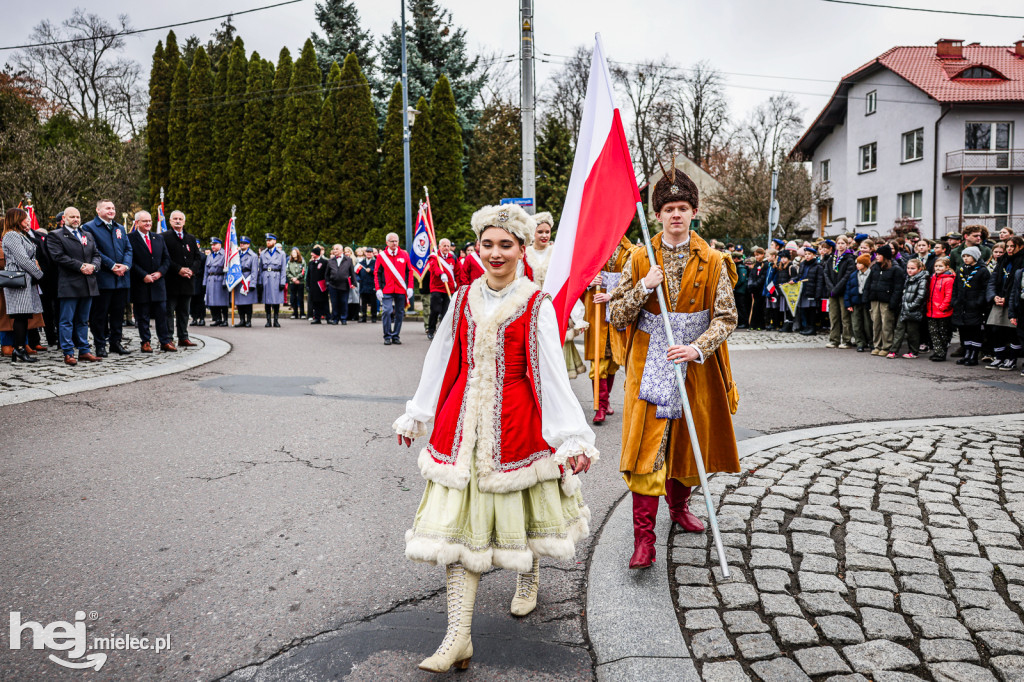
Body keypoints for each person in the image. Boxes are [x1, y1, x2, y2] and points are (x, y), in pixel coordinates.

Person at [392, 203, 597, 673]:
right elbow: (443, 358)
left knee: (519, 516)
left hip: (517, 425)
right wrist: (419, 413)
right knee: (458, 532)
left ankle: (528, 578)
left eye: (506, 245)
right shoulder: (463, 298)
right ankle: (457, 637)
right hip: (462, 425)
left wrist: (570, 437)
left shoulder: (537, 304)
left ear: (523, 249)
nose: (495, 253)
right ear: (478, 246)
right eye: (488, 244)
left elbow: (550, 375)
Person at [608, 168, 740, 570]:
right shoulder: (639, 258)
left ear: (694, 212)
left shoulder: (715, 260)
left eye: (683, 208)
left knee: (687, 443)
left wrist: (698, 348)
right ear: (658, 215)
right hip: (648, 362)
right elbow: (616, 315)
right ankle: (643, 540)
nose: (676, 214)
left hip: (694, 366)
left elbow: (726, 317)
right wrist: (644, 286)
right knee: (646, 449)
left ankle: (680, 509)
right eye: (668, 208)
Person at [583, 233, 634, 424]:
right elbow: (577, 277)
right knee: (598, 363)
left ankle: (606, 400)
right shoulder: (593, 250)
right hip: (597, 314)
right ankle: (600, 406)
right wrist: (589, 281)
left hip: (618, 313)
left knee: (613, 361)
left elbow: (634, 280)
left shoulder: (631, 252)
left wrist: (611, 293)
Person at [45, 207, 102, 365]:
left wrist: (93, 266)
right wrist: (81, 266)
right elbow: (58, 256)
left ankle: (84, 350)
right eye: (72, 217)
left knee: (83, 320)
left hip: (88, 283)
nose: (76, 219)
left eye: (78, 216)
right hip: (69, 284)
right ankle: (68, 352)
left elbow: (96, 254)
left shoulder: (87, 234)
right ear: (64, 218)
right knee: (66, 320)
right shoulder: (56, 235)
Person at [82, 199, 132, 357]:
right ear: (98, 210)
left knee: (118, 314)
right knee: (100, 315)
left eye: (113, 208)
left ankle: (116, 343)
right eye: (107, 208)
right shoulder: (89, 227)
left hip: (121, 279)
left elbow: (128, 249)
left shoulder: (120, 228)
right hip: (103, 279)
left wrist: (125, 265)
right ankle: (100, 345)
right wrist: (112, 266)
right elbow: (93, 250)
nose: (111, 210)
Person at [1, 208, 46, 363]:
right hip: (18, 279)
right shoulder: (12, 235)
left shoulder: (20, 235)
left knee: (24, 315)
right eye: (26, 218)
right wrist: (39, 274)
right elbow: (23, 259)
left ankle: (18, 348)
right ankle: (19, 348)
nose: (28, 221)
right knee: (20, 316)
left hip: (25, 279)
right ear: (17, 219)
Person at [127, 211, 175, 353]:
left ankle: (165, 341)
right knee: (143, 315)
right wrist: (143, 275)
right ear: (137, 223)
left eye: (149, 221)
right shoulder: (129, 238)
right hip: (141, 283)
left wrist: (160, 272)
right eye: (144, 221)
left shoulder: (158, 238)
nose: (148, 223)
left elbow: (167, 259)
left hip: (158, 284)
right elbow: (130, 261)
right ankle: (145, 342)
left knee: (162, 314)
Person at [985, 236, 1024, 371]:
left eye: (1012, 246)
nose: (1009, 249)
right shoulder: (1002, 260)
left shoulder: (1021, 261)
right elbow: (993, 280)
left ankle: (1012, 359)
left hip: (1012, 301)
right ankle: (999, 357)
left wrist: (1008, 299)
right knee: (995, 330)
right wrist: (993, 296)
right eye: (1007, 246)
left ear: (1020, 246)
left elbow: (1017, 285)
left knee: (1012, 332)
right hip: (998, 300)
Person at [163, 211, 201, 346]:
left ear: (184, 221)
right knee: (169, 312)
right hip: (172, 281)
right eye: (175, 219)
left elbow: (197, 257)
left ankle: (183, 337)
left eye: (180, 219)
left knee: (184, 312)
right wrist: (178, 269)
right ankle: (168, 339)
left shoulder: (190, 238)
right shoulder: (164, 237)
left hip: (187, 281)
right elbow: (165, 258)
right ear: (170, 221)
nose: (178, 221)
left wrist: (192, 270)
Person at [952, 246, 990, 366]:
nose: (965, 258)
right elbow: (956, 287)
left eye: (968, 256)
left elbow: (985, 289)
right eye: (964, 256)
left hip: (974, 306)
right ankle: (967, 353)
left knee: (975, 331)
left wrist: (978, 302)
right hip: (962, 305)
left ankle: (974, 355)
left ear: (975, 257)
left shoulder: (982, 271)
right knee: (964, 331)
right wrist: (955, 300)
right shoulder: (961, 269)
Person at [375, 232, 414, 345]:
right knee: (387, 311)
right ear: (387, 242)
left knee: (400, 313)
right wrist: (378, 288)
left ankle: (395, 335)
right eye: (392, 241)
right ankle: (387, 335)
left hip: (401, 289)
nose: (394, 243)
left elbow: (409, 272)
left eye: (396, 241)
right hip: (386, 288)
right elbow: (377, 273)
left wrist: (410, 287)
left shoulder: (404, 255)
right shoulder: (381, 256)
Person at [866, 244, 905, 355]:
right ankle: (877, 345)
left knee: (886, 324)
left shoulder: (896, 269)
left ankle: (886, 346)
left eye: (879, 255)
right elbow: (869, 283)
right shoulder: (875, 267)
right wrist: (867, 297)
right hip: (875, 299)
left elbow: (898, 288)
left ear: (885, 256)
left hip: (886, 300)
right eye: (876, 254)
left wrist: (893, 302)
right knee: (876, 323)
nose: (876, 256)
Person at [887, 258, 929, 359]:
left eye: (912, 268)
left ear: (919, 269)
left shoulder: (922, 279)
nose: (909, 270)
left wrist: (911, 306)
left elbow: (921, 296)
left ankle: (914, 352)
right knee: (899, 330)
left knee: (912, 332)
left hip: (913, 310)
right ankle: (894, 351)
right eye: (908, 268)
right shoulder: (908, 278)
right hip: (904, 309)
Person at [824, 237, 855, 348]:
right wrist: (831, 288)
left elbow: (847, 275)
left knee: (845, 317)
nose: (840, 245)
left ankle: (846, 340)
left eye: (843, 243)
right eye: (839, 243)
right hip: (832, 291)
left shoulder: (849, 258)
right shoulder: (831, 257)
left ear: (847, 245)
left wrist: (837, 288)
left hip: (843, 291)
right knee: (833, 316)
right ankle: (834, 339)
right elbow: (826, 273)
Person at [426, 238, 458, 340]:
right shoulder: (434, 257)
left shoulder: (453, 257)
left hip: (449, 288)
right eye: (444, 246)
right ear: (439, 247)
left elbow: (458, 271)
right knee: (435, 310)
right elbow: (434, 268)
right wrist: (441, 274)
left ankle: (442, 332)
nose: (446, 248)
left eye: (448, 246)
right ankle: (431, 330)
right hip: (437, 288)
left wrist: (457, 282)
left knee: (446, 312)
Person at [926, 257, 955, 361]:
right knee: (933, 332)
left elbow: (949, 295)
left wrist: (943, 307)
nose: (937, 268)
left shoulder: (949, 280)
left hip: (942, 311)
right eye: (936, 266)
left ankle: (941, 353)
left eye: (940, 266)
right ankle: (938, 352)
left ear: (947, 267)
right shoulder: (933, 277)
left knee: (942, 333)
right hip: (932, 310)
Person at [844, 254, 872, 352]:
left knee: (868, 324)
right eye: (857, 263)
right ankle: (860, 342)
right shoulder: (853, 275)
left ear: (865, 264)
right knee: (856, 324)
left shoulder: (871, 274)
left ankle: (871, 342)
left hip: (866, 301)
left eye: (860, 263)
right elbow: (848, 290)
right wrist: (848, 304)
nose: (857, 265)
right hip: (855, 301)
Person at [795, 246, 825, 335]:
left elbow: (820, 281)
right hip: (804, 290)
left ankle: (812, 327)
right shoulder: (803, 264)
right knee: (805, 310)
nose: (807, 256)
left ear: (814, 255)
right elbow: (799, 276)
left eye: (809, 254)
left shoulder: (818, 266)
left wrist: (818, 294)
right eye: (806, 254)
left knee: (811, 310)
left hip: (812, 291)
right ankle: (807, 326)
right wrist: (794, 280)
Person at [258, 233, 286, 328]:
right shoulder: (263, 253)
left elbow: (283, 270)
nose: (268, 242)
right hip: (266, 277)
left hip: (276, 277)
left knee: (276, 300)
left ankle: (276, 320)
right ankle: (268, 320)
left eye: (270, 240)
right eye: (267, 240)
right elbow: (260, 268)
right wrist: (260, 281)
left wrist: (282, 282)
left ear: (275, 241)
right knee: (267, 301)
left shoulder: (281, 254)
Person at [325, 243, 354, 325]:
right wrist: (327, 283)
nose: (335, 250)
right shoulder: (330, 261)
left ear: (341, 250)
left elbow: (352, 272)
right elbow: (327, 274)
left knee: (344, 302)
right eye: (334, 249)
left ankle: (343, 318)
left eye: (337, 249)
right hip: (333, 285)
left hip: (344, 285)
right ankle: (335, 319)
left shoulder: (348, 260)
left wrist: (354, 283)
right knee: (334, 303)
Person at [524, 212, 555, 288]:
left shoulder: (555, 252)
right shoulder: (525, 253)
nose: (544, 236)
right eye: (540, 232)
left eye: (547, 232)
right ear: (533, 232)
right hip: (531, 296)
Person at [234, 236, 259, 327]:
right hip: (239, 279)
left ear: (248, 245)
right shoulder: (236, 254)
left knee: (248, 303)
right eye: (241, 243)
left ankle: (248, 320)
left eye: (244, 243)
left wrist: (253, 283)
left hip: (247, 279)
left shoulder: (253, 255)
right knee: (239, 302)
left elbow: (254, 271)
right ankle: (242, 320)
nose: (242, 245)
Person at [204, 238, 229, 326]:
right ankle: (217, 319)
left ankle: (225, 320)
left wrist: (225, 281)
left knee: (222, 301)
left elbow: (227, 269)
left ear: (220, 245)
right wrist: (204, 282)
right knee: (213, 301)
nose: (212, 246)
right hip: (211, 279)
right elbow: (206, 270)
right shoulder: (210, 255)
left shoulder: (224, 255)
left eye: (214, 244)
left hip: (220, 278)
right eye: (212, 245)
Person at [746, 247, 768, 330]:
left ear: (762, 255)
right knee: (754, 307)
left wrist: (756, 284)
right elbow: (752, 275)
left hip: (760, 289)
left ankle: (760, 324)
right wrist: (751, 285)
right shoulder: (755, 264)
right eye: (755, 255)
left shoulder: (765, 265)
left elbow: (763, 277)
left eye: (758, 255)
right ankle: (753, 324)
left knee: (760, 307)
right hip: (754, 290)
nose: (756, 257)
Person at [306, 246, 329, 324]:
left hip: (322, 286)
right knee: (315, 303)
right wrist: (308, 285)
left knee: (324, 302)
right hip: (313, 287)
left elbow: (327, 274)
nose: (311, 254)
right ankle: (317, 318)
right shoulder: (311, 263)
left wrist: (327, 284)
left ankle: (328, 318)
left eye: (313, 253)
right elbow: (308, 275)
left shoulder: (324, 262)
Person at [355, 247, 377, 322]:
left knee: (373, 303)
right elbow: (356, 273)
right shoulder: (361, 263)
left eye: (370, 252)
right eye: (367, 252)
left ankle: (374, 317)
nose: (369, 253)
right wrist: (358, 279)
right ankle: (364, 317)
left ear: (372, 253)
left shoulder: (375, 262)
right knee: (363, 303)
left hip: (372, 285)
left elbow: (378, 272)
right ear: (365, 253)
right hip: (363, 285)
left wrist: (371, 270)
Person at [190, 239, 207, 326]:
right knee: (192, 301)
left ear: (199, 246)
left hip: (200, 280)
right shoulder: (189, 255)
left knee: (200, 300)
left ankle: (202, 318)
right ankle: (194, 318)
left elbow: (205, 270)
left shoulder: (203, 256)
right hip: (191, 280)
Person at [286, 247, 306, 319]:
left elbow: (303, 272)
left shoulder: (302, 261)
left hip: (300, 282)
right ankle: (295, 313)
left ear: (298, 253)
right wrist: (293, 278)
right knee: (293, 298)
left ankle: (302, 313)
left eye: (295, 252)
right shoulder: (289, 262)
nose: (293, 254)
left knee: (300, 298)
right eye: (292, 252)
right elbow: (287, 271)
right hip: (292, 282)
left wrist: (297, 278)